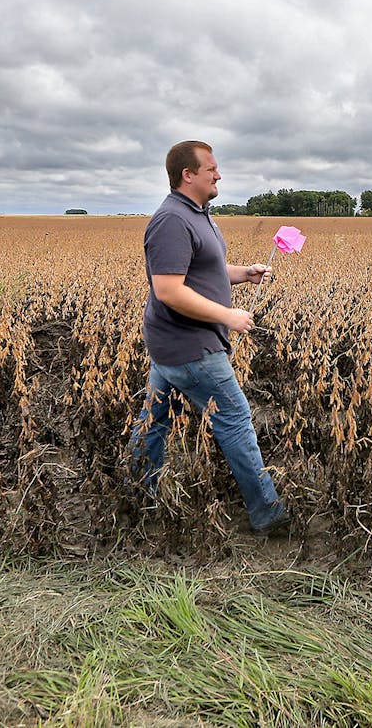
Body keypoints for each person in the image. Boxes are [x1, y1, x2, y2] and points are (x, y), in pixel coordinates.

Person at [129, 140, 291, 536]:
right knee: (235, 422)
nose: (218, 175)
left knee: (153, 422)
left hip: (173, 345)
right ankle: (269, 515)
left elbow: (205, 270)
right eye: (211, 170)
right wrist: (228, 316)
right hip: (190, 346)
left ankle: (139, 494)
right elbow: (168, 289)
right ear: (188, 175)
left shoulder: (198, 215)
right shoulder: (171, 220)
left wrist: (243, 273)